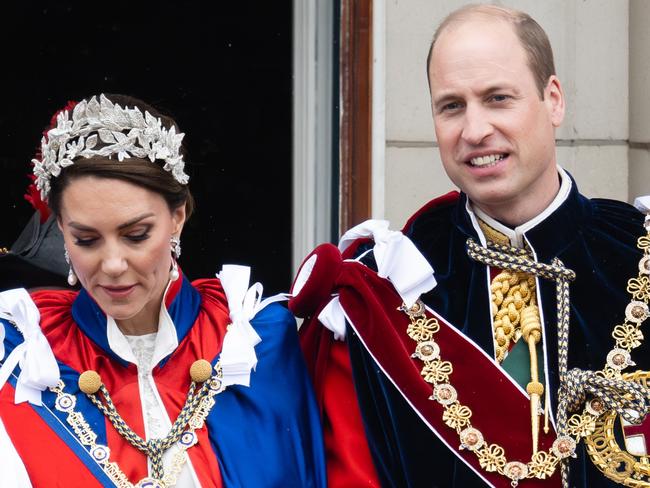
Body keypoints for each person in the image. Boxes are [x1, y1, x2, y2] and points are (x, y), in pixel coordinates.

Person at [292, 5, 650, 488]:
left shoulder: (639, 250)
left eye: (498, 98)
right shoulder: (382, 291)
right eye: (452, 106)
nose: (475, 130)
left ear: (554, 99)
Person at [0, 94, 326, 487]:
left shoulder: (256, 341)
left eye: (136, 235)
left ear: (177, 218)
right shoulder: (21, 357)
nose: (114, 264)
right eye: (86, 239)